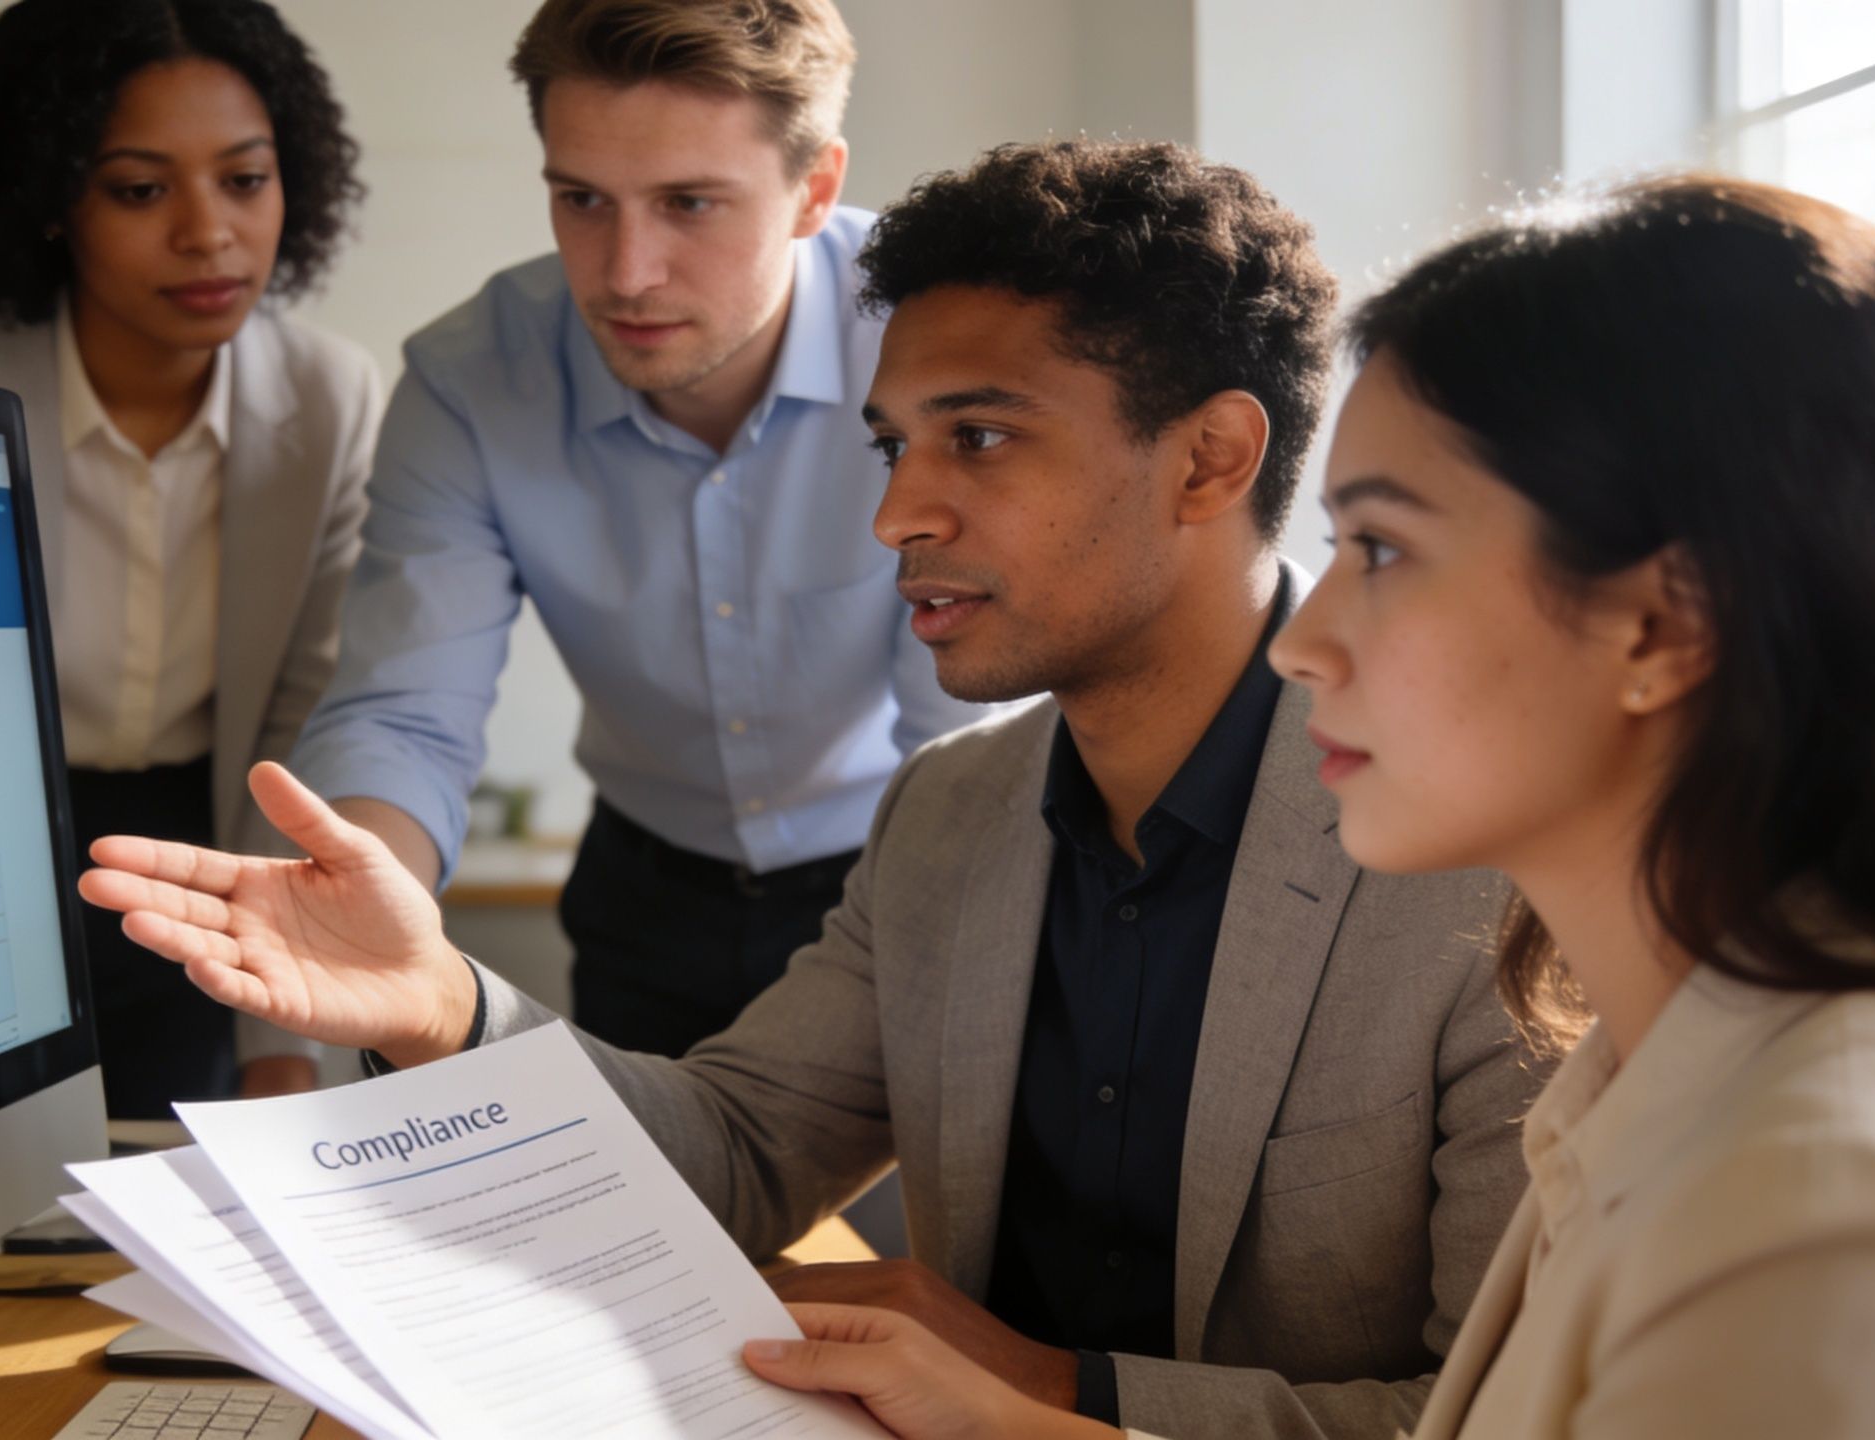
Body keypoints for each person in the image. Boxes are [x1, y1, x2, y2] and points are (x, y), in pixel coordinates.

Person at [79, 140, 1548, 1440]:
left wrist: (1050, 1392)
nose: (898, 513)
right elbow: (733, 1154)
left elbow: (1502, 1416)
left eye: (978, 437)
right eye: (894, 446)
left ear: (1211, 458)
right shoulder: (952, 814)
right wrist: (442, 1006)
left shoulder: (1488, 866)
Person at [743, 177, 1875, 1437]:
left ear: (1662, 623)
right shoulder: (1654, 1067)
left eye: (1378, 549)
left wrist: (1028, 1405)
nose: (1305, 638)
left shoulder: (1837, 1217)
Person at [281, 0, 986, 1057]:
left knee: (917, 1225)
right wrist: (363, 906)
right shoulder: (472, 379)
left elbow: (969, 731)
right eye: (582, 200)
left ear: (815, 190)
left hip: (911, 857)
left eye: (690, 202)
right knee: (652, 1213)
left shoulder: (944, 345)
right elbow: (404, 716)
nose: (624, 273)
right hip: (644, 897)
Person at [0, 0, 379, 1112]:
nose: (209, 233)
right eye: (140, 189)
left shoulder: (328, 398)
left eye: (245, 178)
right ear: (48, 201)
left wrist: (281, 1038)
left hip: (204, 857)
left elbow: (301, 716)